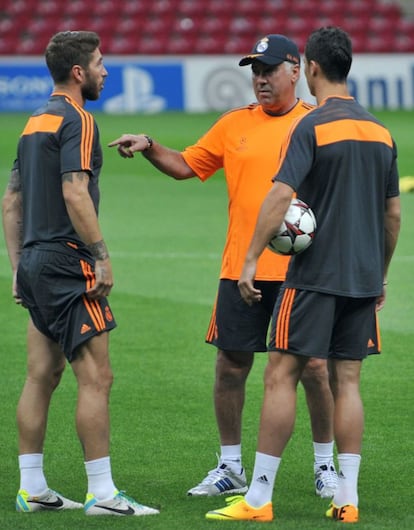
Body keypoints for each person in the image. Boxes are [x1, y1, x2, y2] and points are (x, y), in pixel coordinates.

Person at [109, 35, 339, 498]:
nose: (260, 78)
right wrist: (150, 144)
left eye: (269, 69)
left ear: (296, 71)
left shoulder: (317, 123)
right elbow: (185, 165)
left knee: (314, 367)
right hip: (242, 269)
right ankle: (230, 466)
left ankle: (325, 465)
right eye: (254, 70)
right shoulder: (234, 124)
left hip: (303, 271)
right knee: (230, 365)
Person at [206, 26, 401, 524]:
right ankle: (346, 498)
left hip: (312, 276)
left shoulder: (310, 125)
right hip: (362, 277)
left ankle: (258, 499)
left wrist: (250, 259)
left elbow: (279, 197)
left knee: (281, 374)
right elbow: (392, 216)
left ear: (310, 68)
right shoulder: (381, 131)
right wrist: (379, 274)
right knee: (348, 380)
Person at [2, 31, 159, 517]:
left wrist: (17, 267)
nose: (105, 70)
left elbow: (12, 202)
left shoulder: (34, 122)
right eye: (99, 62)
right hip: (69, 263)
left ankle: (32, 488)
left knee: (41, 375)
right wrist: (101, 255)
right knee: (97, 377)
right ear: (78, 72)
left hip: (33, 261)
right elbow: (75, 193)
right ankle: (104, 494)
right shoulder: (78, 119)